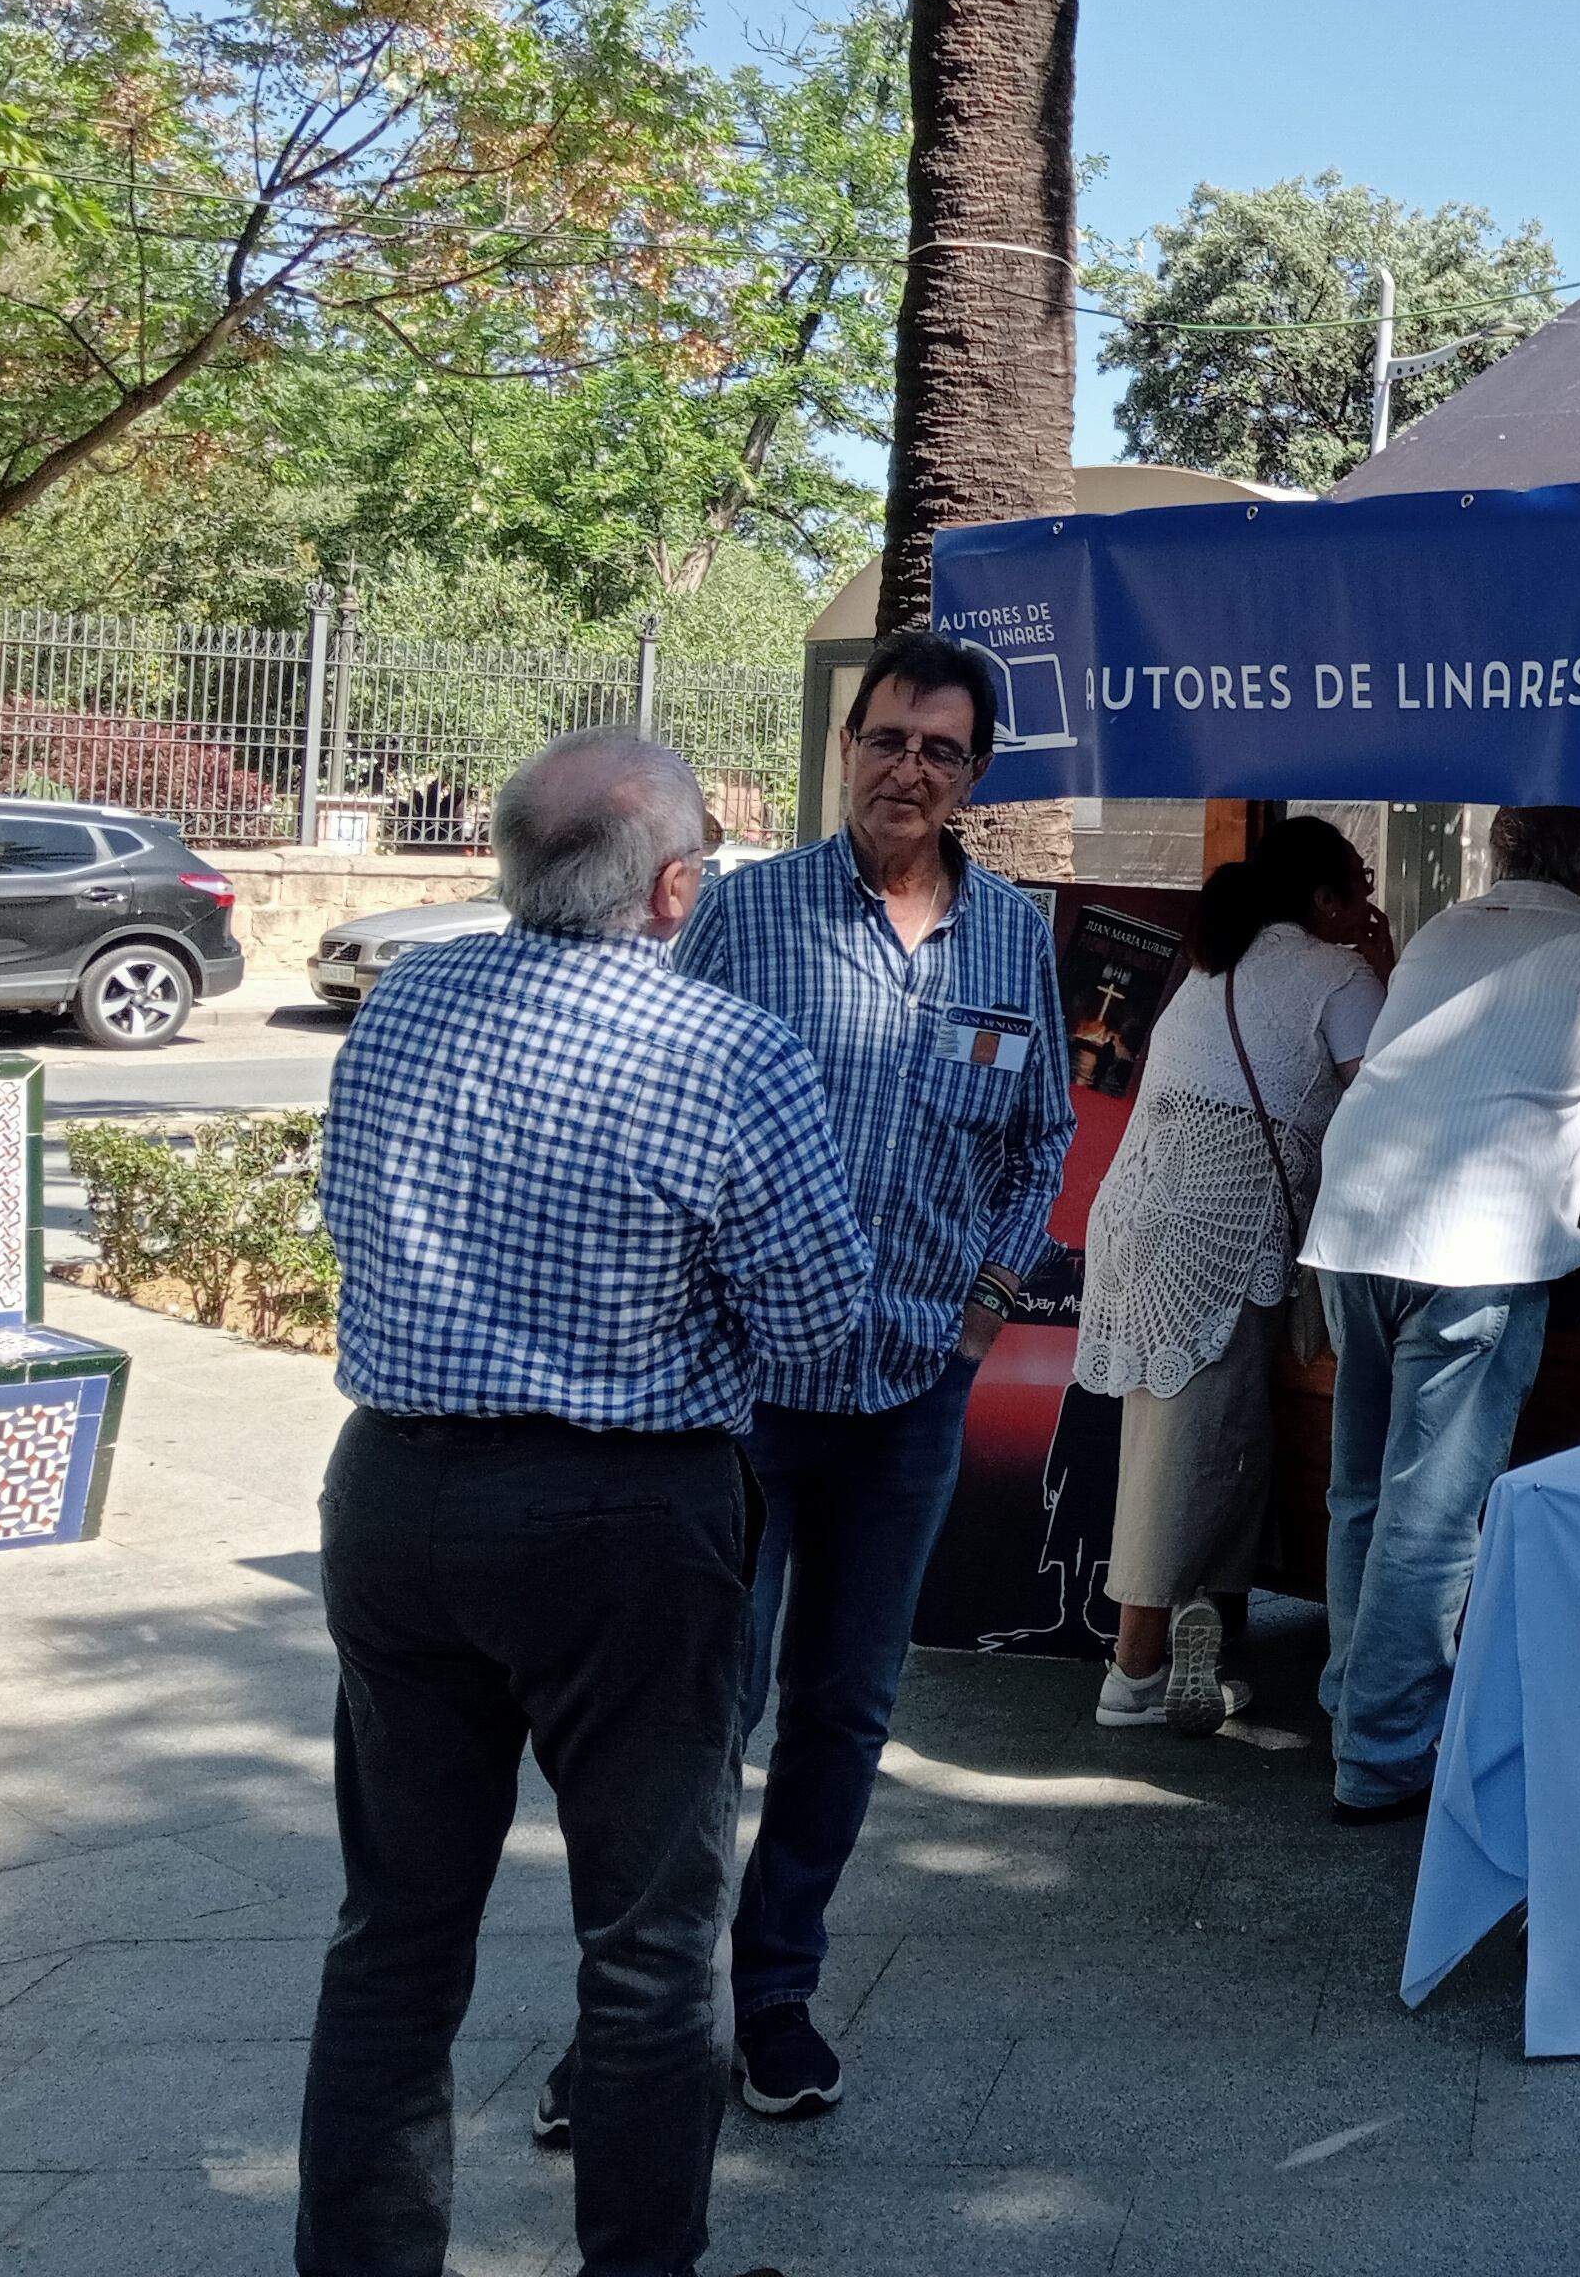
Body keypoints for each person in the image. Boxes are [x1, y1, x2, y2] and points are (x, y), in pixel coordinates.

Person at [299, 734, 873, 2277]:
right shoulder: (726, 1054)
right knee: (647, 1944)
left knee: (396, 1934)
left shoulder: (406, 1001)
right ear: (679, 887)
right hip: (624, 1527)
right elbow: (822, 1329)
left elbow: (344, 1205)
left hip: (396, 1497)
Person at [667, 630, 1076, 2121]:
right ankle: (637, 2016)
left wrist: (983, 1304)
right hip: (745, 1392)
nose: (911, 767)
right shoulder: (745, 912)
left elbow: (1041, 1134)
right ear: (847, 745)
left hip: (911, 1393)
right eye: (889, 737)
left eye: (942, 749)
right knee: (709, 1706)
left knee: (844, 1712)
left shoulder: (1013, 936)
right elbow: (667, 1100)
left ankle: (774, 1996)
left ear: (975, 774)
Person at [1302, 805, 1580, 1820]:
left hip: (1356, 1225)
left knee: (1363, 1490)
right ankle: (1385, 1755)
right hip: (1473, 1244)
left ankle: (1354, 1708)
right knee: (1432, 1518)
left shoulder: (1445, 927)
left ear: (1503, 851)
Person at [1079, 818, 1391, 1735]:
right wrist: (1388, 961)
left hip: (1136, 1209)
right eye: (1360, 884)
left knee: (1203, 1438)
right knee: (1188, 1450)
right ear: (1327, 898)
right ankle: (1132, 1677)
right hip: (1211, 1234)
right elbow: (1391, 1092)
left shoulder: (1219, 963)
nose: (1369, 900)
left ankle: (1194, 1645)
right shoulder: (1339, 975)